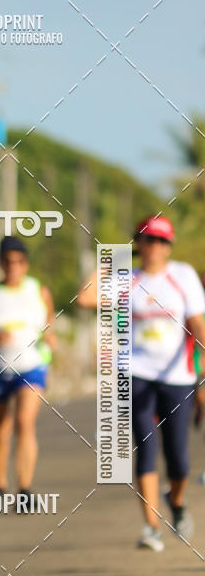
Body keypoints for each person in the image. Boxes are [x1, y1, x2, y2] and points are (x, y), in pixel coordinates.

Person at [77, 215, 205, 551]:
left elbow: (196, 322)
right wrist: (112, 260)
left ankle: (175, 501)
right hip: (135, 373)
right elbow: (86, 298)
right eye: (148, 240)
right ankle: (151, 528)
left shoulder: (182, 276)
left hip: (177, 376)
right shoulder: (127, 279)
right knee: (145, 448)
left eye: (161, 241)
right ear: (139, 244)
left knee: (178, 459)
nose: (154, 247)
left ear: (169, 246)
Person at [0, 236, 56, 509]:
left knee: (25, 423)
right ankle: (0, 486)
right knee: (0, 430)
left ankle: (24, 490)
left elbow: (49, 323)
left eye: (19, 261)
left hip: (31, 367)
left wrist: (51, 337)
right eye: (7, 261)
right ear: (0, 263)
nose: (13, 266)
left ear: (26, 264)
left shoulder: (39, 291)